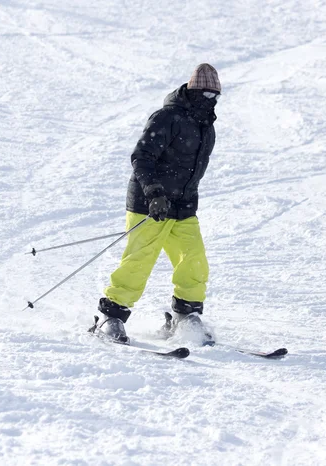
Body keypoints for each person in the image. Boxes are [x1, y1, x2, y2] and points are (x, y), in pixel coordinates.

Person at [94, 64, 221, 345]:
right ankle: (110, 318)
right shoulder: (168, 117)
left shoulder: (205, 126)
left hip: (184, 207)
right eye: (206, 95)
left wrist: (184, 197)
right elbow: (142, 156)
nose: (211, 101)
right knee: (140, 260)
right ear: (193, 91)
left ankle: (186, 318)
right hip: (149, 204)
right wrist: (154, 193)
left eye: (216, 96)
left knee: (195, 260)